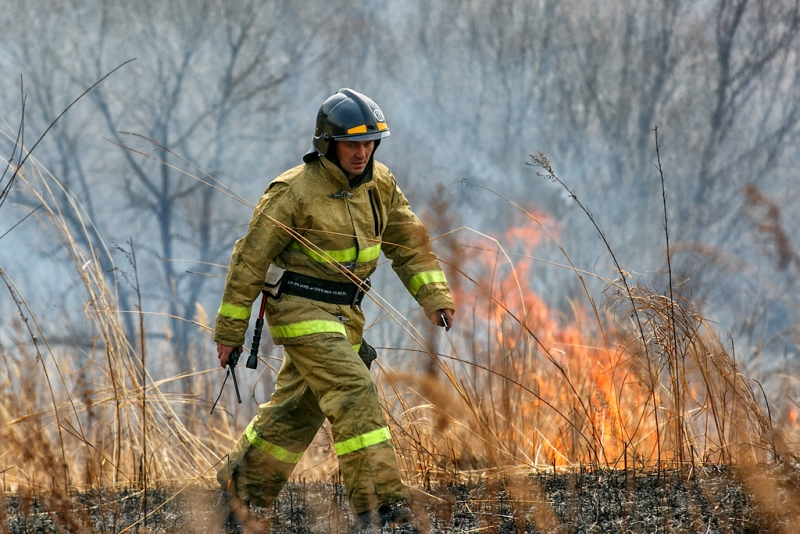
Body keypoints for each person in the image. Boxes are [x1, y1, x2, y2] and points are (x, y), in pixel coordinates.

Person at [213, 88, 455, 529]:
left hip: (347, 316)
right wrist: (230, 332)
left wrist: (434, 296)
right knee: (353, 388)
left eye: (369, 143)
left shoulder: (381, 183)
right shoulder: (292, 192)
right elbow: (248, 261)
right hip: (299, 309)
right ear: (327, 144)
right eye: (351, 144)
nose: (361, 152)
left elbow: (408, 241)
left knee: (299, 409)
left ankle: (240, 491)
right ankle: (380, 506)